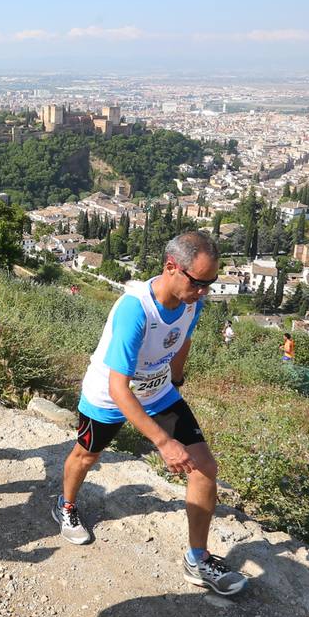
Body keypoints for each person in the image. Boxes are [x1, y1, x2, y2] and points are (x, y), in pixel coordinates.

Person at [53, 231, 247, 597]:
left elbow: (183, 339)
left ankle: (197, 558)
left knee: (204, 467)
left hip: (158, 391)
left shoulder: (191, 301)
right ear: (171, 267)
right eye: (198, 282)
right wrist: (163, 442)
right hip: (109, 395)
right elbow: (118, 388)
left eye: (210, 283)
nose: (203, 291)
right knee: (86, 456)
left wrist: (177, 379)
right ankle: (66, 505)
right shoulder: (135, 310)